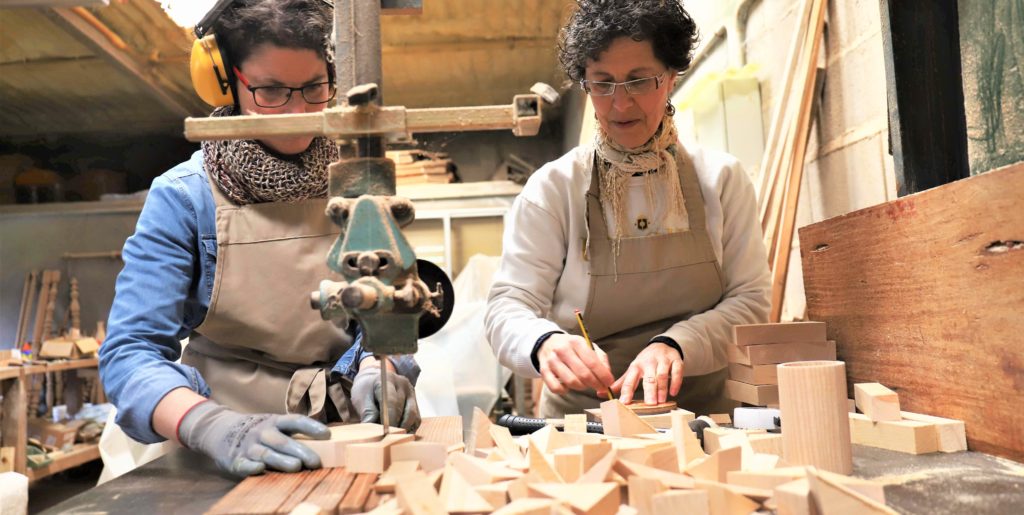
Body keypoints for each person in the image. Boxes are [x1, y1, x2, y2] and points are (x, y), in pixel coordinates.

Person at [99, 0, 420, 478]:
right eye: (271, 91)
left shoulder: (358, 184)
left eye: (314, 87)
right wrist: (210, 425)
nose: (297, 110)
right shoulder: (185, 199)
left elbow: (388, 311)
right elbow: (130, 354)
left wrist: (380, 370)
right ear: (226, 82)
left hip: (342, 435)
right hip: (216, 444)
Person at [485, 0, 771, 418]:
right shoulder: (553, 189)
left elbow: (750, 302)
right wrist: (542, 341)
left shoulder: (722, 181)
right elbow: (507, 306)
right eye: (602, 83)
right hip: (582, 423)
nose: (620, 105)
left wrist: (677, 344)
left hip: (706, 418)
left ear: (671, 78)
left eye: (639, 81)